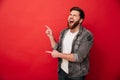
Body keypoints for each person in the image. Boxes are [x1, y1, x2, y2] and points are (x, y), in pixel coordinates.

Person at [45, 7, 94, 80]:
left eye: (74, 15)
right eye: (70, 14)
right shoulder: (64, 32)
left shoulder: (87, 35)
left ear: (80, 20)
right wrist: (50, 36)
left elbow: (79, 57)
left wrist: (59, 55)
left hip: (77, 75)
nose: (71, 16)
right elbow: (57, 48)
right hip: (62, 71)